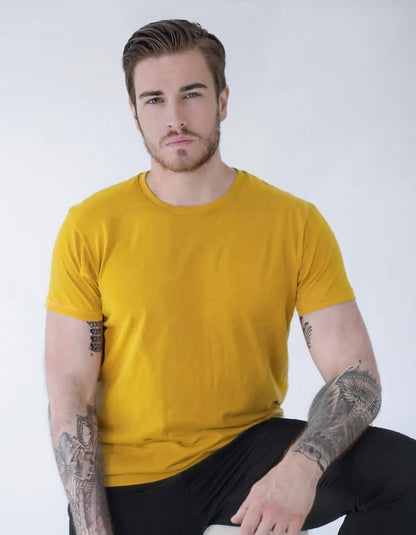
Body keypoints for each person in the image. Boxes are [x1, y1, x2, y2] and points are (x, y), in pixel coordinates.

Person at [45, 19, 416, 535]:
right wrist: (92, 529)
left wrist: (301, 467)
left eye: (191, 94)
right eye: (154, 99)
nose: (175, 117)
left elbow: (356, 375)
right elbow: (70, 394)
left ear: (222, 101)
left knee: (406, 476)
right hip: (133, 481)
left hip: (247, 456)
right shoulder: (90, 226)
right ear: (134, 112)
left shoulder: (293, 222)